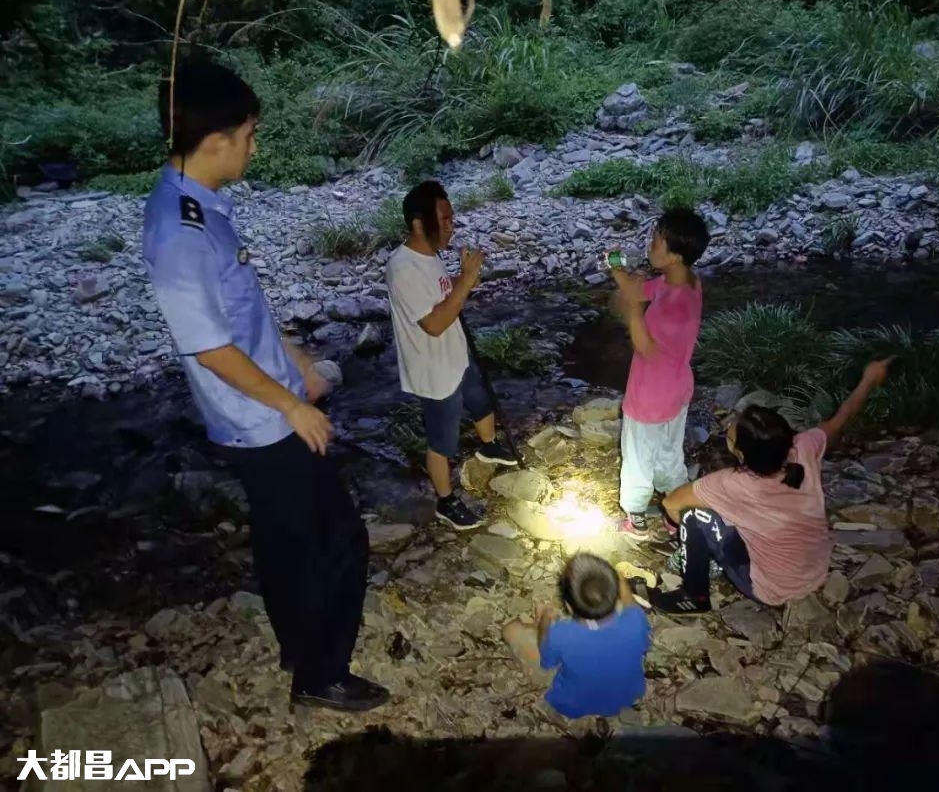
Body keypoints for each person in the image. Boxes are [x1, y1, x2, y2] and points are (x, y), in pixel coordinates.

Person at [141, 58, 387, 712]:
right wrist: (290, 406)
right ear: (216, 139)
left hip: (266, 404)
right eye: (249, 132)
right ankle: (322, 674)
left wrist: (298, 361)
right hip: (257, 422)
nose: (255, 144)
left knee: (284, 538)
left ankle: (296, 646)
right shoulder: (181, 230)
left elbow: (243, 310)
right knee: (335, 540)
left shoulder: (200, 205)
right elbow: (211, 346)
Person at [651, 358, 893, 614]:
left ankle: (693, 595)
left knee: (693, 516)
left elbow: (671, 504)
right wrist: (868, 381)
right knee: (725, 515)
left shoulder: (731, 483)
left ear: (741, 454)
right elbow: (842, 418)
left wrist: (689, 533)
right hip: (814, 571)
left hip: (771, 588)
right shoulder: (804, 448)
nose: (729, 430)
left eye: (731, 436)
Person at [385, 180, 517, 531]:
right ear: (418, 223)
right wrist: (467, 280)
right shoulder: (403, 268)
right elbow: (435, 323)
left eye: (450, 218)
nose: (451, 226)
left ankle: (489, 446)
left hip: (456, 353)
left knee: (480, 397)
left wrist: (461, 281)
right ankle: (446, 501)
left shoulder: (431, 257)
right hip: (433, 368)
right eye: (443, 219)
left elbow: (448, 303)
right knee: (442, 439)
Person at [610, 207, 709, 540]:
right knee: (669, 451)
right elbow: (640, 291)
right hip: (677, 389)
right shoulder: (686, 282)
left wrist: (633, 314)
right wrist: (616, 269)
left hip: (649, 395)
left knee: (638, 457)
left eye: (657, 241)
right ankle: (675, 511)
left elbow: (646, 347)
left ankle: (635, 518)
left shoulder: (673, 307)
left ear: (675, 256)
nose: (650, 245)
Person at [502, 553, 651, 719]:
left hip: (573, 705)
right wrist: (619, 578)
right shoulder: (635, 620)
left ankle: (533, 626)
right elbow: (629, 602)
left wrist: (544, 623)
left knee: (512, 630)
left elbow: (547, 660)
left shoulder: (562, 633)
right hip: (628, 699)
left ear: (569, 607)